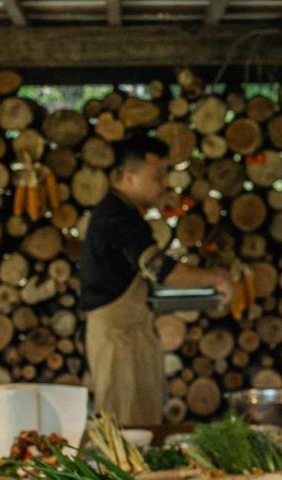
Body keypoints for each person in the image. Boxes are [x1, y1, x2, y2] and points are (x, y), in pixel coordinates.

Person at [79, 135, 233, 425]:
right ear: (128, 177)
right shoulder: (118, 218)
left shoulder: (125, 214)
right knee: (124, 426)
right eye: (157, 175)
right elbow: (163, 271)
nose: (164, 185)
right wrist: (216, 279)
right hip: (117, 336)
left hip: (132, 330)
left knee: (144, 421)